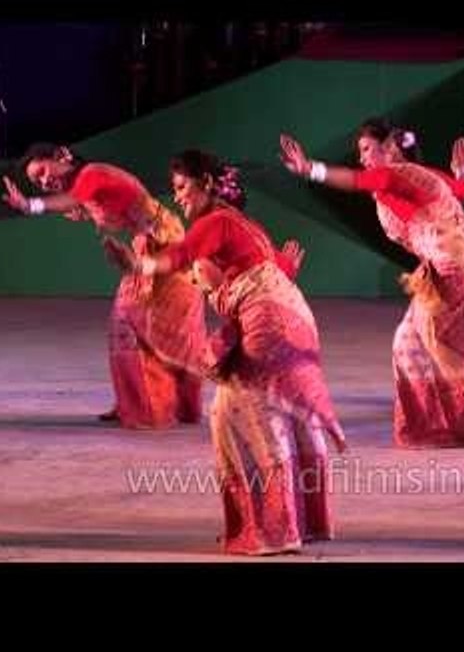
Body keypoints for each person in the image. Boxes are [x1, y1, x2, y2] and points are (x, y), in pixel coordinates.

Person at [113, 149, 346, 555]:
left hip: (268, 323)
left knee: (236, 414)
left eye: (183, 188)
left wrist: (139, 266)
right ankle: (305, 522)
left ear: (206, 183)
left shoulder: (217, 220)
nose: (179, 198)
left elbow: (182, 256)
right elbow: (267, 271)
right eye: (174, 191)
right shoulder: (243, 226)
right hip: (293, 318)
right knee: (283, 409)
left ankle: (273, 530)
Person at [279, 120, 464, 448]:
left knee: (443, 340)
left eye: (366, 149)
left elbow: (355, 180)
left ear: (389, 148)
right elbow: (462, 191)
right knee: (409, 343)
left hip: (458, 261)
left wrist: (310, 168)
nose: (362, 157)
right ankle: (436, 426)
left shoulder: (391, 174)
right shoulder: (420, 175)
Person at [2, 143, 207, 430]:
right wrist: (84, 211)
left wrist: (31, 205)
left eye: (44, 171)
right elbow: (94, 203)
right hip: (148, 245)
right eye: (37, 182)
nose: (44, 182)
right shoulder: (85, 186)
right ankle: (147, 404)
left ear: (62, 156)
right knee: (145, 325)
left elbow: (74, 198)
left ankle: (148, 407)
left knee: (142, 324)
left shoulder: (91, 173)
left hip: (164, 242)